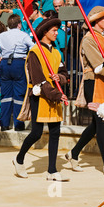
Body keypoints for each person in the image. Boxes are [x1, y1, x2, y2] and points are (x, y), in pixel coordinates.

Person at [66, 6, 104, 176]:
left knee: (96, 124)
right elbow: (98, 66)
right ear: (95, 20)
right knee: (101, 123)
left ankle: (73, 154)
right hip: (94, 83)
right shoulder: (88, 39)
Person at [14, 18, 69, 181]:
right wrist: (58, 94)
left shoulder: (57, 53)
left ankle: (52, 170)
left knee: (55, 132)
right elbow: (38, 80)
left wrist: (59, 77)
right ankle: (19, 159)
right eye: (53, 30)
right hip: (40, 96)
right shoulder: (35, 52)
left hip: (54, 96)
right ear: (45, 32)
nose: (56, 33)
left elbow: (65, 75)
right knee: (37, 133)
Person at [0, 14, 35, 131]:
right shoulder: (23, 35)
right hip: (19, 63)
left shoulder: (2, 35)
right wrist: (27, 57)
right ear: (19, 24)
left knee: (5, 95)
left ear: (9, 25)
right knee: (19, 94)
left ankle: (4, 124)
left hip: (5, 64)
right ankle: (18, 125)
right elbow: (33, 47)